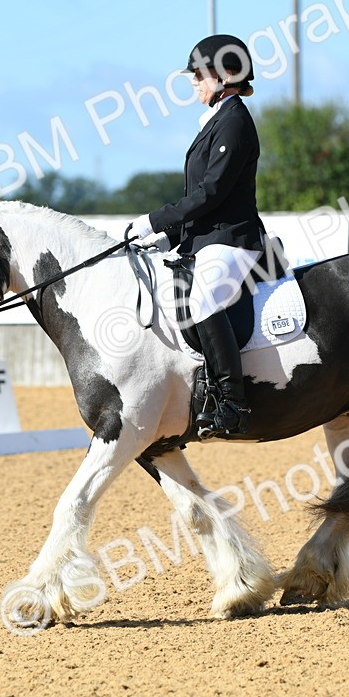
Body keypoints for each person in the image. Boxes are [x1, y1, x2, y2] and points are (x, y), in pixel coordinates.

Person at [129, 34, 264, 439]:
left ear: (225, 75)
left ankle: (231, 401)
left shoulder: (235, 122)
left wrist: (154, 220)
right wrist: (170, 235)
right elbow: (200, 199)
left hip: (233, 239)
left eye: (200, 74)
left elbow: (211, 193)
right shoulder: (217, 119)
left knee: (203, 297)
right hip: (209, 237)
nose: (193, 81)